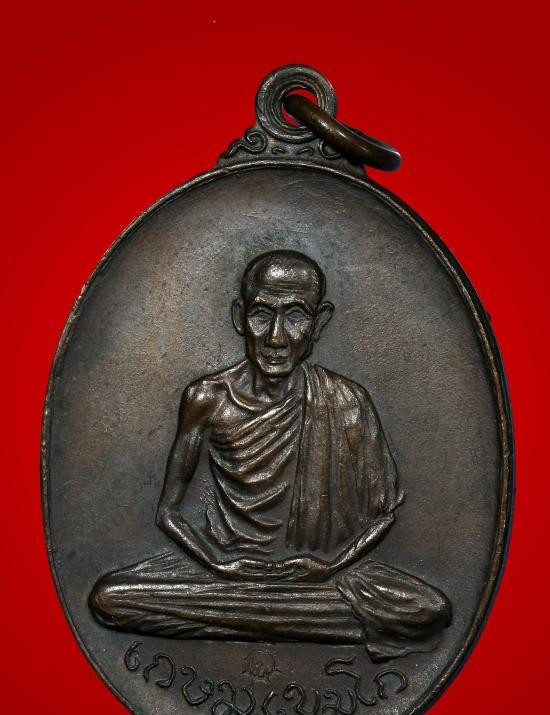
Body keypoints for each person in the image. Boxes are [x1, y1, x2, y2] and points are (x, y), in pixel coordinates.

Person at [90, 251, 451, 661]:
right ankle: (294, 621)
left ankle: (252, 618)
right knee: (110, 598)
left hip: (316, 580)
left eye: (295, 316)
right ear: (239, 317)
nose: (276, 337)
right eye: (262, 314)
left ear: (320, 323)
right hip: (222, 575)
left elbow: (382, 515)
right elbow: (168, 513)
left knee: (428, 610)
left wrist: (330, 566)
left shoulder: (348, 402)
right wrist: (219, 563)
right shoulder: (207, 398)